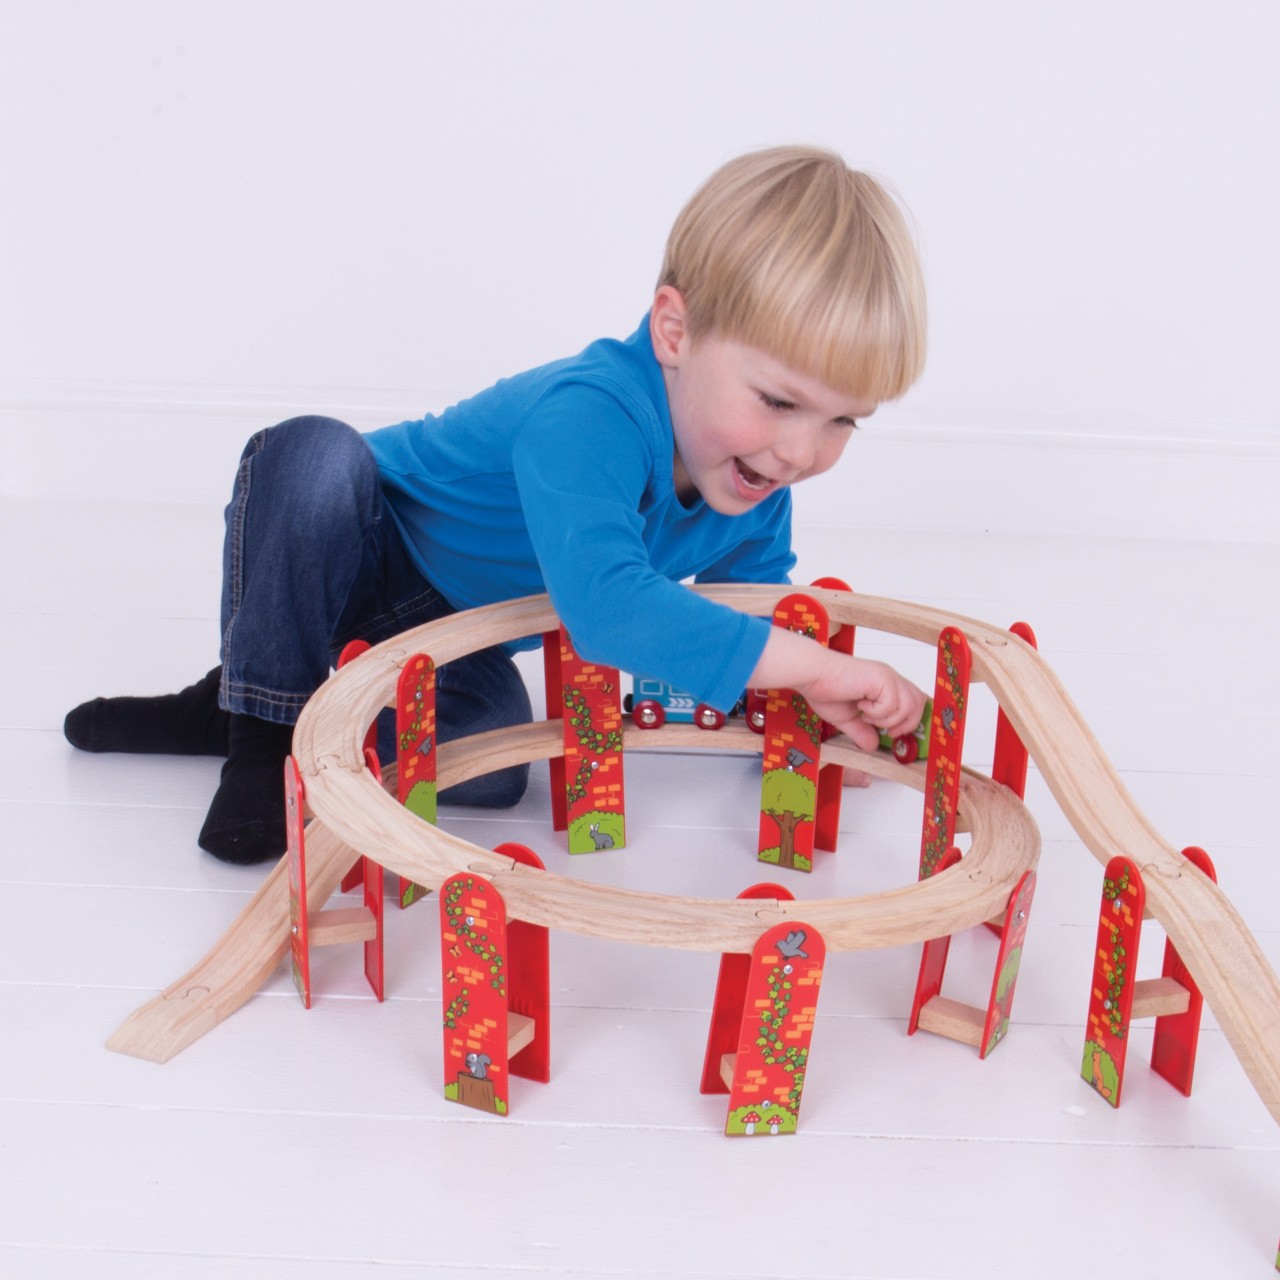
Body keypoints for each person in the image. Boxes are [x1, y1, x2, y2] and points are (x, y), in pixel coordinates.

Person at [64, 144, 929, 865]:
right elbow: (607, 608)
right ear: (675, 332)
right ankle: (261, 736)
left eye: (841, 420)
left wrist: (804, 709)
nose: (800, 451)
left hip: (447, 631)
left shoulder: (753, 479)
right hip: (359, 543)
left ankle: (252, 708)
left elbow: (746, 615)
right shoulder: (591, 410)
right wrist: (821, 669)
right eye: (778, 401)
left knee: (493, 768)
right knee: (316, 459)